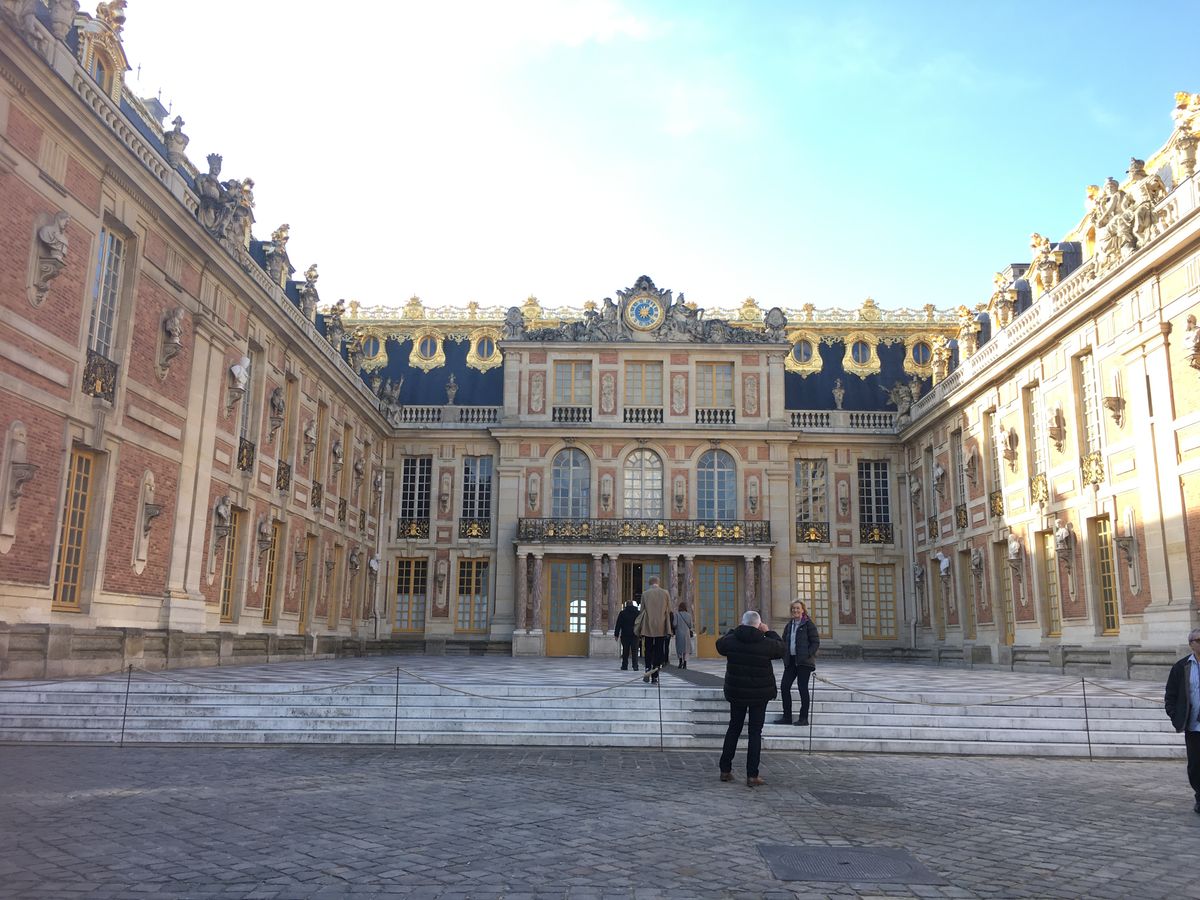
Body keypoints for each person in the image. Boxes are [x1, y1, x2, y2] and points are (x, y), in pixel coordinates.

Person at [717, 610, 784, 786]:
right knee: (755, 732)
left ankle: (725, 770)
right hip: (759, 694)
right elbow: (782, 648)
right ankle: (752, 775)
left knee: (734, 728)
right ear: (759, 625)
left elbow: (720, 645)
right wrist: (768, 631)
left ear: (742, 623)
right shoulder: (766, 642)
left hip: (737, 691)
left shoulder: (732, 640)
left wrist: (734, 630)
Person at [1164, 628, 1200, 814]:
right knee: (1195, 765)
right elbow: (1170, 695)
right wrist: (1175, 715)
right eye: (1199, 640)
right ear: (1191, 644)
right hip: (1193, 726)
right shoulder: (1181, 667)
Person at [775, 600, 820, 726]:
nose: (795, 610)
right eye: (793, 608)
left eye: (798, 608)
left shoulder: (808, 624)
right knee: (784, 687)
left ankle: (803, 718)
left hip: (804, 662)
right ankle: (787, 717)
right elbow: (784, 641)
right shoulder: (789, 625)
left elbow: (815, 642)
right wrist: (784, 654)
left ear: (803, 610)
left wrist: (807, 654)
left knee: (802, 688)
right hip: (791, 661)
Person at [638, 576, 673, 684]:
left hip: (648, 625)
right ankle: (655, 675)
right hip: (661, 626)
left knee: (648, 649)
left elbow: (642, 611)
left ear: (649, 583)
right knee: (659, 650)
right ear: (658, 582)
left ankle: (647, 668)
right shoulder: (665, 593)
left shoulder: (645, 594)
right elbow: (669, 609)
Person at [613, 599, 640, 671]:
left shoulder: (622, 613)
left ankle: (624, 666)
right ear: (632, 605)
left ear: (626, 605)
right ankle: (635, 666)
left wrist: (616, 634)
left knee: (625, 651)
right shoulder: (637, 613)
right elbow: (640, 624)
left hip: (625, 634)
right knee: (635, 651)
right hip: (635, 634)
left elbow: (618, 624)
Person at [672, 602, 694, 670]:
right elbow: (691, 625)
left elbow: (674, 624)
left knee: (679, 648)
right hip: (686, 634)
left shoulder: (677, 614)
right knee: (686, 649)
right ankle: (685, 664)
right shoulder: (689, 615)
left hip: (679, 633)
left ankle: (680, 661)